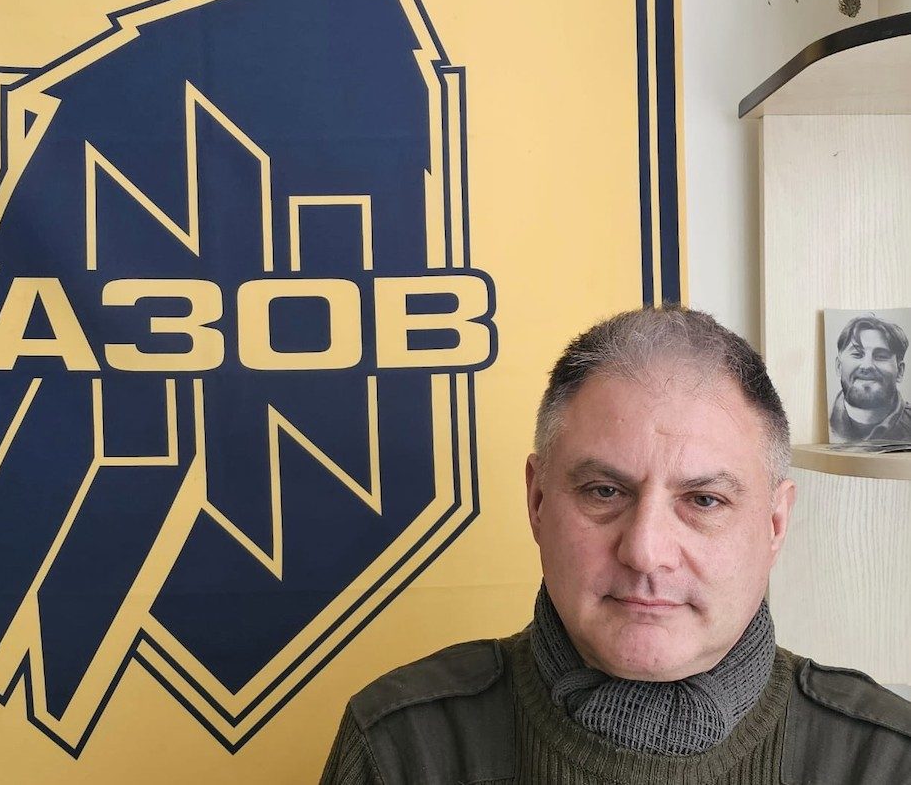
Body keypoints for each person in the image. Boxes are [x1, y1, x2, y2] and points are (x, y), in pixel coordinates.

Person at [319, 306, 911, 784]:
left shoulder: (884, 762)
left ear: (775, 524)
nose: (646, 552)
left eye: (703, 500)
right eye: (604, 491)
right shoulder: (399, 749)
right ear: (537, 500)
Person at [829, 314, 911, 442]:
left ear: (900, 371)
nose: (867, 366)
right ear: (839, 366)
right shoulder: (819, 424)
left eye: (881, 356)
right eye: (857, 354)